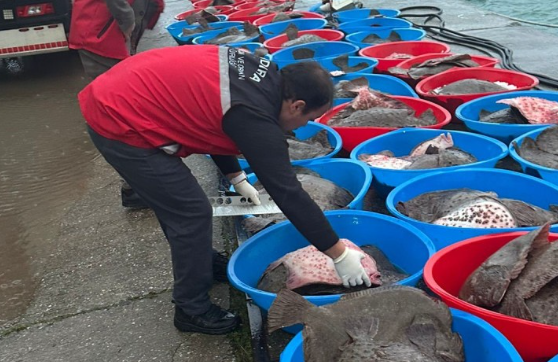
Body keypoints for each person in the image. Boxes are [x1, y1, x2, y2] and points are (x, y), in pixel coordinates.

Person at [77, 45, 372, 335]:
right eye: (308, 119)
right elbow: (288, 193)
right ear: (296, 105)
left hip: (125, 87)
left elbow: (215, 120)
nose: (303, 126)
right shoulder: (255, 115)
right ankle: (191, 308)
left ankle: (202, 262)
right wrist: (338, 254)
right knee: (191, 213)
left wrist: (235, 176)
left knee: (180, 205)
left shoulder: (262, 75)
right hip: (117, 117)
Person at [68, 0, 165, 208]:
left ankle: (137, 185)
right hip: (100, 37)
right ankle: (134, 187)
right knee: (120, 111)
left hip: (109, 34)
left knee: (127, 106)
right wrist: (127, 22)